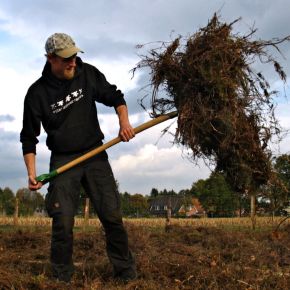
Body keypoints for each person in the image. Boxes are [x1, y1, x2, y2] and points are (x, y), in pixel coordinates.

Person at [20, 33, 137, 283]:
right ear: (51, 59)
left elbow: (116, 97)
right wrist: (32, 173)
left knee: (112, 216)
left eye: (74, 56)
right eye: (66, 59)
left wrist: (124, 123)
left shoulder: (87, 74)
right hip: (63, 161)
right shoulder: (37, 94)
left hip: (94, 155)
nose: (73, 62)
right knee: (62, 222)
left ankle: (125, 274)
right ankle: (61, 278)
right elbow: (29, 138)